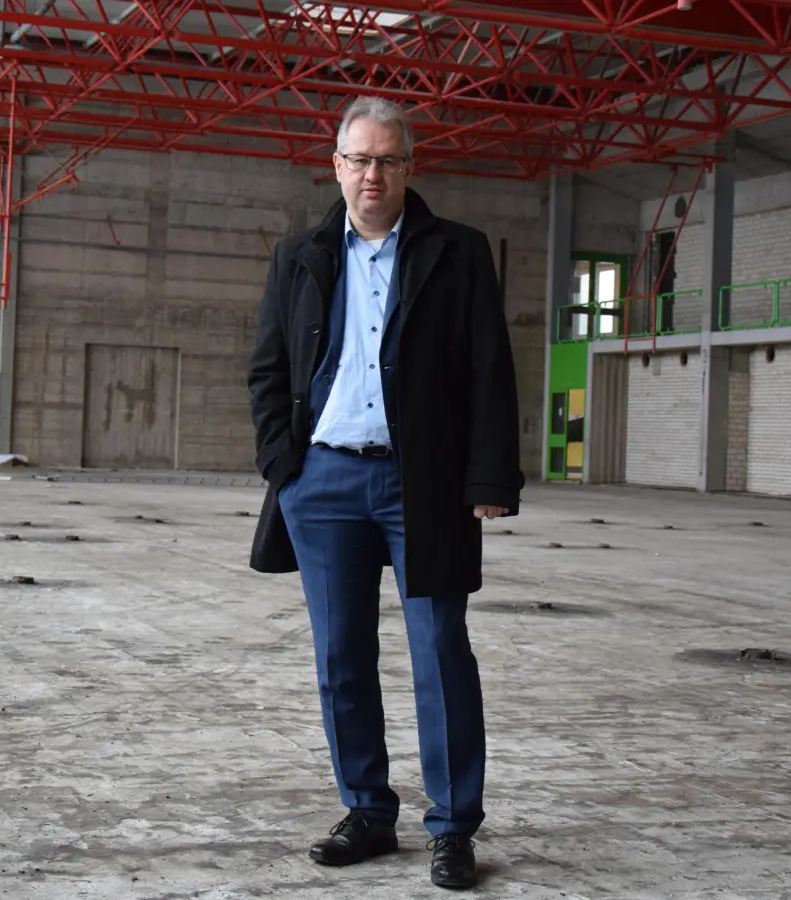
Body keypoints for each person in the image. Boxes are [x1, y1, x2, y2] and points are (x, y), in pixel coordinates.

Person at [245, 95, 525, 891]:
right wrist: (283, 468)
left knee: (441, 652)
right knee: (341, 657)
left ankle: (452, 826)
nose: (373, 174)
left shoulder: (458, 252)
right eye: (359, 160)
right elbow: (268, 369)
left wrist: (489, 478)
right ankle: (368, 811)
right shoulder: (299, 256)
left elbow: (489, 371)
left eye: (388, 160)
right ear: (336, 167)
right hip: (323, 482)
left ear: (410, 168)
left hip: (424, 484)